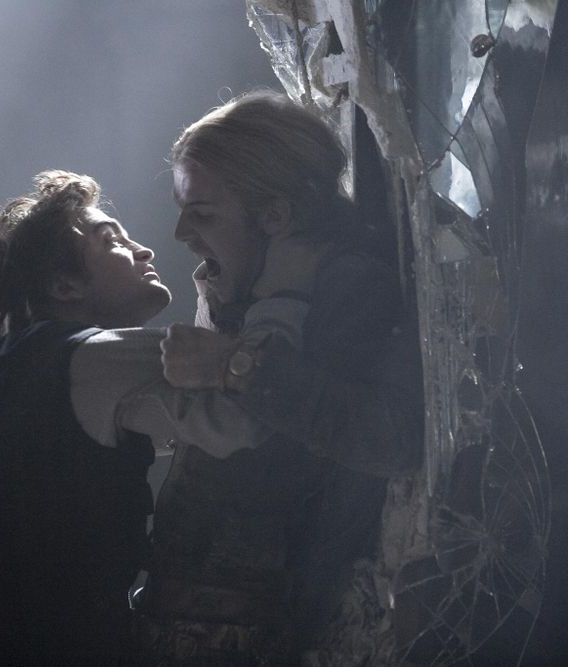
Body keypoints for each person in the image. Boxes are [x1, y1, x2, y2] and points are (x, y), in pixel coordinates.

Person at [0, 170, 311, 665]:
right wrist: (285, 293)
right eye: (112, 241)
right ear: (64, 285)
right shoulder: (91, 357)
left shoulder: (10, 380)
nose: (145, 250)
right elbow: (242, 420)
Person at [137, 91, 425, 663]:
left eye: (203, 213)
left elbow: (389, 439)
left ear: (274, 216)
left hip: (280, 628)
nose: (180, 234)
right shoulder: (249, 288)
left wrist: (233, 364)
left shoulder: (349, 285)